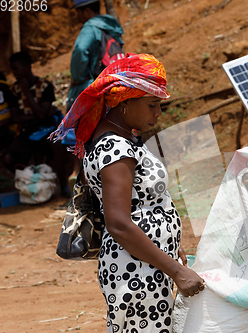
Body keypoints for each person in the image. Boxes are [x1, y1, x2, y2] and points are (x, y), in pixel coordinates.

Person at [50, 53, 205, 333]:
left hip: (145, 264)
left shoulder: (122, 139)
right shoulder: (115, 149)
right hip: (136, 272)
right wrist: (178, 271)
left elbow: (139, 205)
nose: (158, 113)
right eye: (152, 105)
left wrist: (168, 244)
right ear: (124, 102)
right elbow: (119, 224)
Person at [65, 0, 124, 190]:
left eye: (79, 12)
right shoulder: (112, 28)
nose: (78, 17)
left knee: (84, 137)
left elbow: (81, 50)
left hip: (93, 88)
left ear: (87, 10)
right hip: (112, 89)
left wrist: (79, 77)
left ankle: (84, 188)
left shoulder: (90, 27)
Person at [3, 52, 70, 196]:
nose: (13, 73)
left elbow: (40, 115)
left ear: (26, 67)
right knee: (8, 158)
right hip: (27, 132)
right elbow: (17, 117)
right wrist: (41, 114)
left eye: (16, 68)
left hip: (46, 128)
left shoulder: (45, 86)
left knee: (55, 146)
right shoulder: (13, 90)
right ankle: (33, 179)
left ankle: (63, 184)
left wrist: (27, 93)